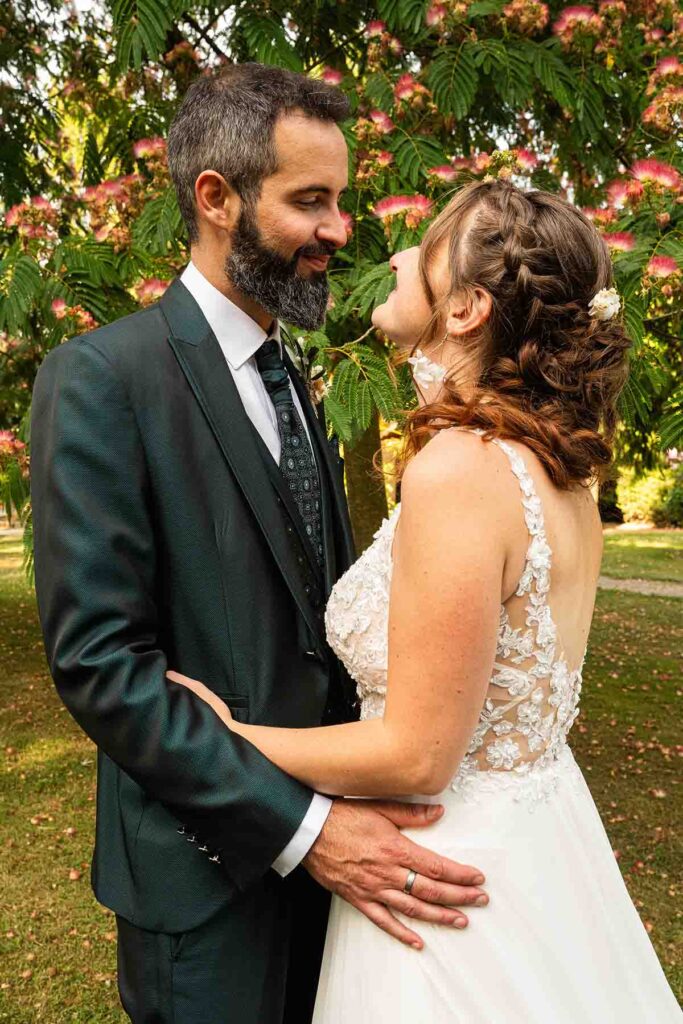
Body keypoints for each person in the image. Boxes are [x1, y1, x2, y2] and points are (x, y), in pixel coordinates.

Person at [29, 64, 487, 1024]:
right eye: (310, 202)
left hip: (340, 881)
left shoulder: (292, 372)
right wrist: (305, 829)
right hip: (203, 889)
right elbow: (102, 669)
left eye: (341, 200)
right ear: (216, 199)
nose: (339, 231)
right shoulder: (102, 378)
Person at [167, 179, 683, 1022]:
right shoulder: (557, 473)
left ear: (466, 308)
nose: (398, 255)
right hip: (538, 850)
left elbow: (417, 756)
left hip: (444, 888)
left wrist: (229, 737)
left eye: (427, 246)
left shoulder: (460, 469)